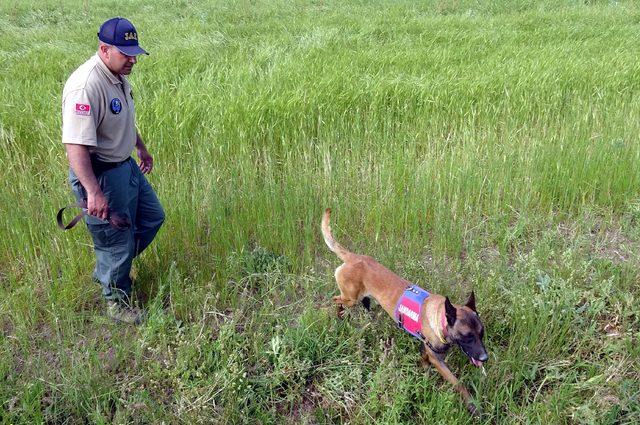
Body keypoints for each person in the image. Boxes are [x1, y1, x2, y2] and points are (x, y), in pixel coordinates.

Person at [61, 17, 164, 324]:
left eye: (134, 52)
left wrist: (140, 147)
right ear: (104, 49)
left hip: (126, 166)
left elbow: (124, 117)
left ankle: (109, 271)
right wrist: (93, 192)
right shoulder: (86, 85)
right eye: (125, 52)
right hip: (101, 174)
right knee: (116, 241)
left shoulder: (117, 75)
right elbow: (75, 145)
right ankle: (116, 303)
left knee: (153, 217)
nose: (133, 58)